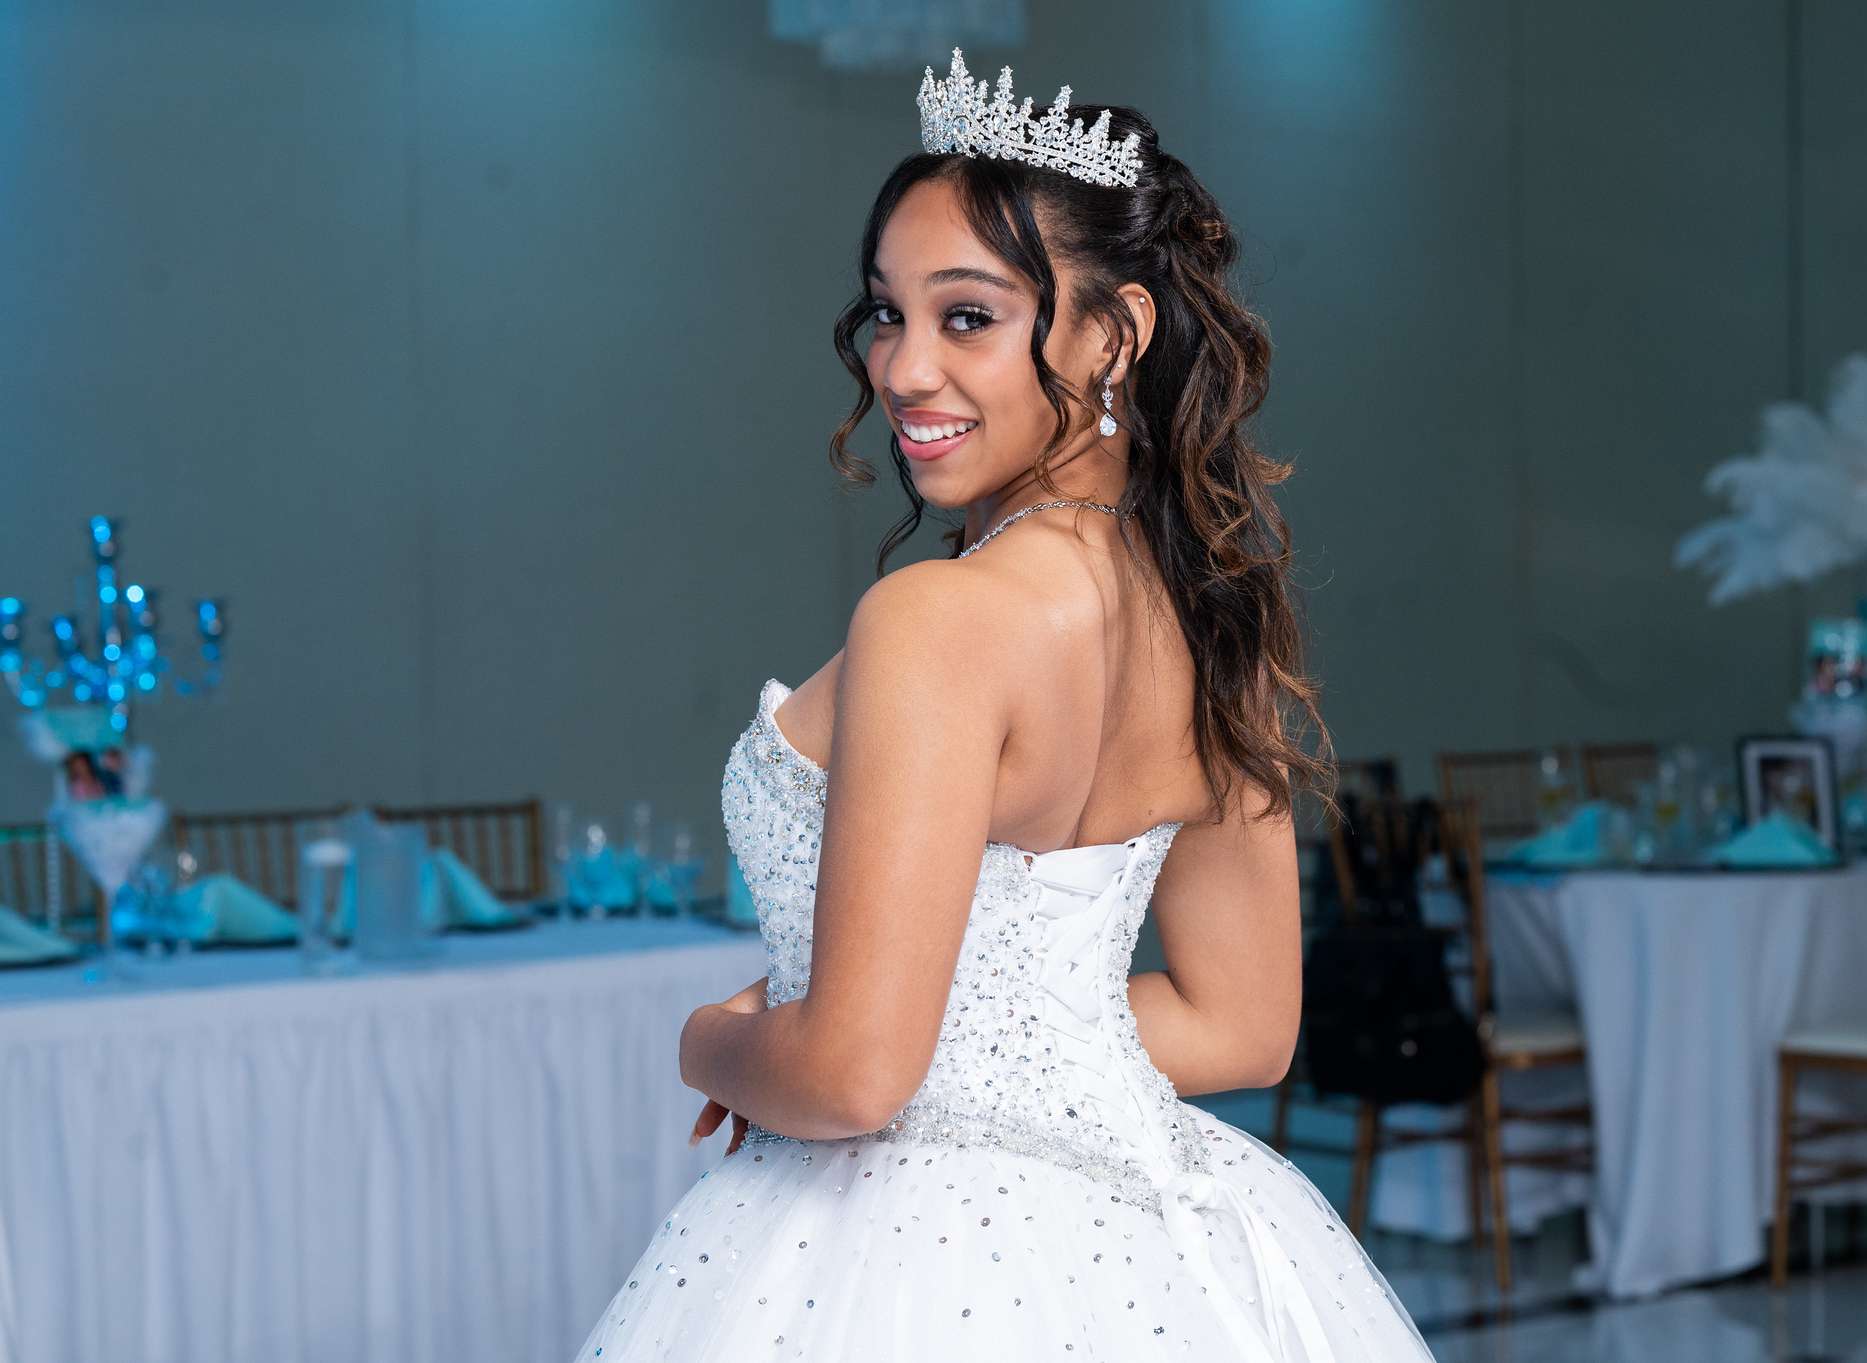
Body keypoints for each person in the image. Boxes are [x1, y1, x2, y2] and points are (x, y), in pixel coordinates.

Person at [575, 49, 1435, 1362]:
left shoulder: (936, 619)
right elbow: (1240, 1026)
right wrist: (904, 999)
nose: (903, 368)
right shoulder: (1207, 619)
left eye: (967, 317)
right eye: (887, 314)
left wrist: (719, 1041)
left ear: (1115, 333)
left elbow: (854, 1075)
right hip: (1139, 1246)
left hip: (894, 1252)